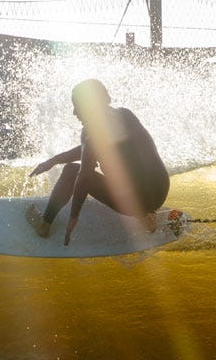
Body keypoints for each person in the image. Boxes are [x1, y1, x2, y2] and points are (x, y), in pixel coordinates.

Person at [27, 79, 169, 245]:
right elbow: (90, 149)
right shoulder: (125, 115)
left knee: (71, 171)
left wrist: (74, 216)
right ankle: (146, 216)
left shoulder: (90, 132)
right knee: (129, 168)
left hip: (137, 201)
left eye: (77, 106)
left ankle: (44, 224)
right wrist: (54, 160)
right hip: (160, 191)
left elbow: (84, 176)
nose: (74, 112)